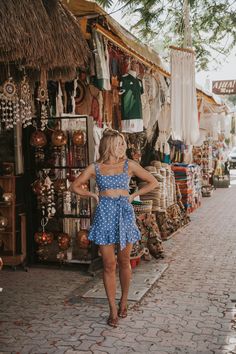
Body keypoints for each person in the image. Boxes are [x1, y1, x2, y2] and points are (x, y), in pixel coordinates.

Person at [70, 129, 158, 327]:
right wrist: (92, 196)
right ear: (109, 146)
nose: (123, 147)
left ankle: (124, 301)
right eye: (119, 144)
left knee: (124, 260)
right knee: (109, 264)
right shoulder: (96, 167)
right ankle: (112, 309)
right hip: (104, 216)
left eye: (123, 144)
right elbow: (74, 186)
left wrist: (133, 195)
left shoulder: (129, 165)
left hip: (124, 214)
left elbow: (153, 182)